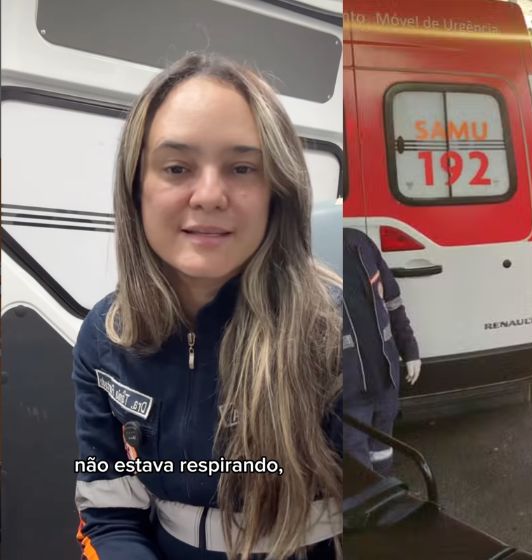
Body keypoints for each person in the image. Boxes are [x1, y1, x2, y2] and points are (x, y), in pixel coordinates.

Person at [72, 54, 342, 560]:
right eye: (177, 167)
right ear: (136, 189)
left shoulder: (331, 333)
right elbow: (109, 512)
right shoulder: (104, 337)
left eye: (242, 168)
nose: (210, 195)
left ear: (276, 192)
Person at [342, 228, 421, 476]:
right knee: (356, 462)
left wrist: (410, 350)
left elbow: (393, 302)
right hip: (350, 393)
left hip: (385, 378)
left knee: (383, 449)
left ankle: (383, 489)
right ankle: (364, 506)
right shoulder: (314, 257)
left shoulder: (359, 243)